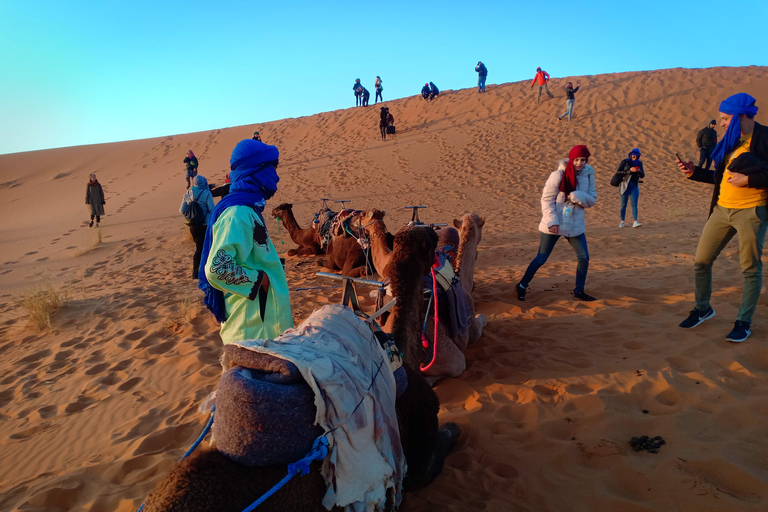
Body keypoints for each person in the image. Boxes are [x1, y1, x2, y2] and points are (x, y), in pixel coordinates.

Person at [676, 93, 768, 343]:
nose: (723, 123)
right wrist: (695, 173)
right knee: (701, 261)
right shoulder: (731, 140)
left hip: (752, 212)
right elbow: (721, 178)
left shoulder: (764, 137)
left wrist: (750, 180)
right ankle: (703, 308)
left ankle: (743, 322)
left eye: (726, 118)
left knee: (750, 269)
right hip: (721, 210)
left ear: (741, 115)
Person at [199, 139, 293, 344]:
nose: (276, 176)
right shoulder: (238, 213)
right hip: (252, 336)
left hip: (263, 332)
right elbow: (217, 268)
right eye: (272, 168)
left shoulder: (248, 209)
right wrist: (260, 280)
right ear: (256, 170)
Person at [516, 145, 598, 302]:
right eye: (577, 160)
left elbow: (592, 200)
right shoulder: (558, 175)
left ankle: (579, 291)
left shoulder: (588, 175)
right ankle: (521, 285)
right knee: (541, 258)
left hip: (574, 225)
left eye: (583, 160)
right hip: (555, 223)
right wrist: (552, 221)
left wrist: (576, 195)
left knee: (584, 257)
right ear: (571, 159)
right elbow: (546, 200)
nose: (580, 163)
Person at [180, 175, 216, 279]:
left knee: (199, 247)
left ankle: (197, 271)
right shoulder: (206, 193)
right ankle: (199, 272)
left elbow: (182, 210)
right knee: (205, 247)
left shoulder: (188, 194)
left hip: (193, 226)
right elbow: (212, 209)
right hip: (205, 225)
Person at [616, 148, 645, 228]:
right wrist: (629, 170)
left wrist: (638, 171)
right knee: (623, 204)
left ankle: (635, 221)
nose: (634, 157)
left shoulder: (639, 163)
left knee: (634, 203)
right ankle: (622, 221)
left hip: (634, 185)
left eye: (636, 156)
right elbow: (618, 172)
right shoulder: (625, 162)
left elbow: (643, 175)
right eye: (633, 155)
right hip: (624, 185)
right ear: (631, 155)